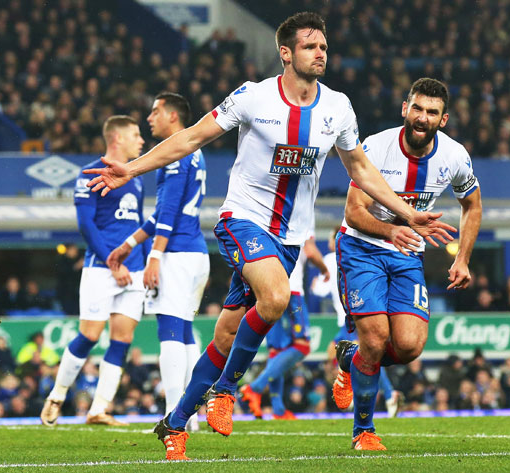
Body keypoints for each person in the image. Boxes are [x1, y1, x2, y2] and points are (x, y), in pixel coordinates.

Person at [84, 12, 454, 460]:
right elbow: (190, 139)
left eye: (324, 46)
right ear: (286, 53)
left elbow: (360, 168)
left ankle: (174, 424)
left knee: (225, 335)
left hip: (290, 239)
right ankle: (225, 391)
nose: (321, 52)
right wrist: (131, 168)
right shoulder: (253, 97)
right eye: (311, 46)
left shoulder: (337, 107)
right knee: (276, 298)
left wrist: (406, 215)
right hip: (242, 220)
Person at [332, 78, 482, 450]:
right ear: (405, 109)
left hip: (407, 254)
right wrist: (390, 231)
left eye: (431, 112)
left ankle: (353, 357)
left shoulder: (454, 157)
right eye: (417, 108)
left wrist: (462, 257)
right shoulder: (376, 147)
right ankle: (363, 432)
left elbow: (473, 205)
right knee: (376, 337)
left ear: (443, 119)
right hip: (362, 247)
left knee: (411, 346)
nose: (422, 117)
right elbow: (353, 212)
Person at [107, 93, 209, 431]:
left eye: (155, 112)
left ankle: (174, 415)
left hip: (177, 254)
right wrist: (127, 245)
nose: (149, 118)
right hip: (193, 253)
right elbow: (158, 216)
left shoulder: (176, 153)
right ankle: (193, 412)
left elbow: (167, 215)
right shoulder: (192, 152)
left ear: (172, 116)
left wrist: (153, 256)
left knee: (169, 331)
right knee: (184, 332)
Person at [40, 115, 146, 427]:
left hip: (135, 269)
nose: (141, 141)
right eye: (136, 135)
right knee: (89, 335)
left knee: (122, 340)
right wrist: (112, 263)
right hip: (101, 268)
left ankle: (98, 409)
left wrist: (145, 259)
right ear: (117, 139)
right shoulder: (89, 173)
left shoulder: (136, 177)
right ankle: (57, 395)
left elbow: (137, 223)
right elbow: (86, 224)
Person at [311, 226, 400, 417]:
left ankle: (385, 393)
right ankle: (381, 393)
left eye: (329, 238)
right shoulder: (359, 256)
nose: (328, 242)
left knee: (364, 354)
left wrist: (314, 285)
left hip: (350, 317)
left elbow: (319, 291)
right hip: (358, 312)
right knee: (337, 351)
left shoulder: (329, 259)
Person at [240, 228, 328, 420]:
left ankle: (278, 409)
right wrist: (324, 268)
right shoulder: (303, 210)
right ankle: (255, 387)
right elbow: (311, 251)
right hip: (291, 289)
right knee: (302, 346)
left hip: (268, 289)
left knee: (277, 351)